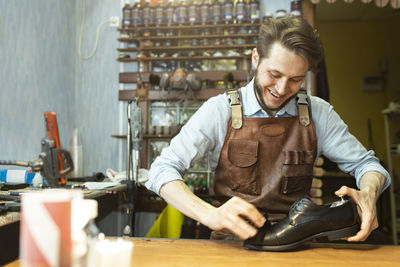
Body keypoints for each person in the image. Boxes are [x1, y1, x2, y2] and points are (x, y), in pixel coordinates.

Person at [145, 16, 390, 241]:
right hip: (232, 247)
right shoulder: (219, 111)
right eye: (274, 74)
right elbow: (161, 170)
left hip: (298, 245)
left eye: (296, 79)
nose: (282, 89)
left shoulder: (318, 113)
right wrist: (209, 215)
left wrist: (369, 191)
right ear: (256, 58)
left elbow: (367, 166)